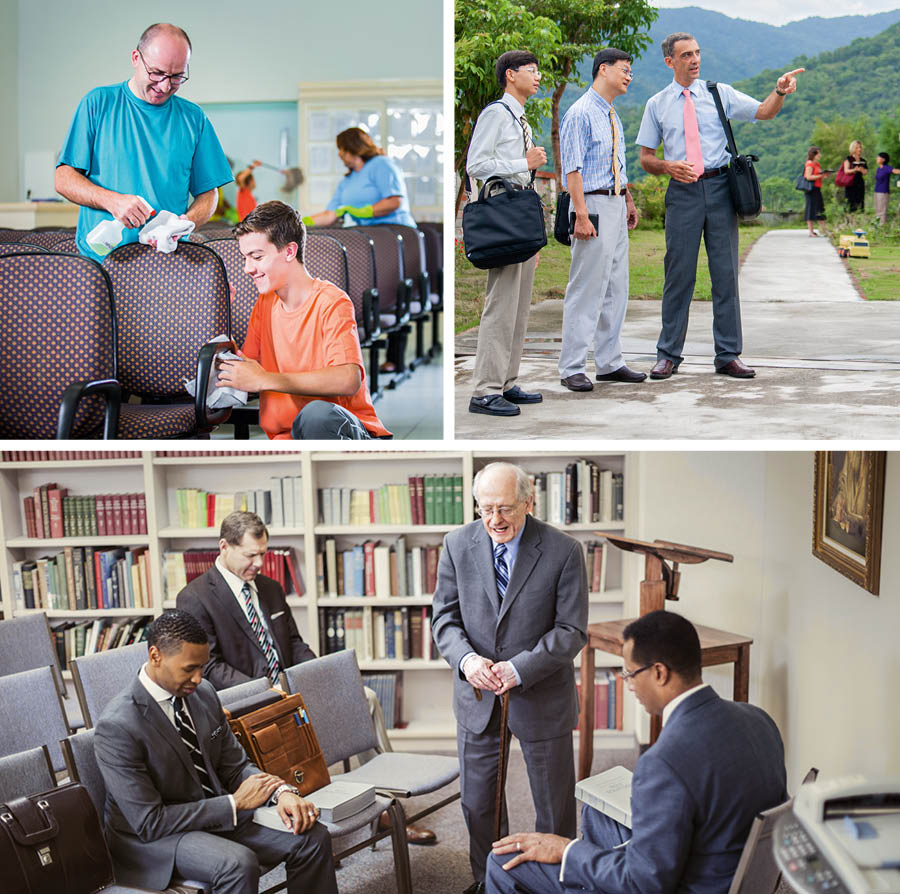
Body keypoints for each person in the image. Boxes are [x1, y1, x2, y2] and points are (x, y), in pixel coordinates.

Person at [176, 510, 438, 845]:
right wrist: (266, 690)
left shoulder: (269, 588)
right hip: (246, 700)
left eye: (263, 554)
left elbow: (294, 644)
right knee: (292, 722)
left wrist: (319, 677)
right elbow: (209, 668)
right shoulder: (195, 597)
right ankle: (310, 819)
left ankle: (384, 805)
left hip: (286, 689)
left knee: (365, 698)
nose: (259, 563)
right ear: (224, 547)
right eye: (250, 555)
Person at [486, 610, 788, 894]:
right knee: (598, 814)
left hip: (681, 884)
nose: (628, 685)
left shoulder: (663, 762)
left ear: (659, 673)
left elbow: (642, 883)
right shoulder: (759, 719)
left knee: (501, 861)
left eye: (630, 674)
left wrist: (565, 850)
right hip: (725, 870)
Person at [93, 610, 338, 894]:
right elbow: (150, 822)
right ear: (155, 655)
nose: (198, 678)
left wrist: (279, 792)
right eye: (188, 669)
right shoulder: (117, 726)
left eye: (202, 667)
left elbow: (235, 766)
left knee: (312, 837)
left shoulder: (203, 694)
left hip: (216, 812)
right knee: (237, 863)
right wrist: (233, 805)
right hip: (156, 839)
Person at [432, 462, 588, 894]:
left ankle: (555, 884)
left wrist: (519, 669)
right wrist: (467, 662)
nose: (494, 520)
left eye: (504, 509)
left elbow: (571, 630)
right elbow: (444, 619)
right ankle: (488, 882)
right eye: (485, 509)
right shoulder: (456, 545)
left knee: (553, 809)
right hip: (477, 697)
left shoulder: (564, 550)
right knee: (478, 804)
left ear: (528, 502)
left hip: (542, 695)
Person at [636, 32, 804, 381]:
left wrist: (780, 91)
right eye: (686, 55)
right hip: (682, 192)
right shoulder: (657, 104)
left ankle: (727, 355)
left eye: (697, 53)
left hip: (720, 187)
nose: (694, 60)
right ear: (670, 61)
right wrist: (669, 166)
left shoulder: (718, 93)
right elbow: (646, 158)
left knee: (725, 274)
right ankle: (668, 355)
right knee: (678, 275)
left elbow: (763, 112)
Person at [55, 23, 232, 262]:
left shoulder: (194, 118)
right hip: (102, 260)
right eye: (157, 73)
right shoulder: (98, 104)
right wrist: (111, 201)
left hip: (168, 260)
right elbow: (64, 178)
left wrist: (186, 222)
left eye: (177, 76)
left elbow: (209, 194)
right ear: (136, 58)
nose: (165, 86)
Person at [215, 200, 392, 440]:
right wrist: (220, 312)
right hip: (288, 437)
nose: (247, 268)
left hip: (338, 430)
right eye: (244, 258)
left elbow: (348, 379)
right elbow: (247, 368)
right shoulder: (264, 304)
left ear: (289, 251)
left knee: (315, 416)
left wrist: (266, 379)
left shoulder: (332, 301)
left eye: (256, 257)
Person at [465, 51, 548, 418]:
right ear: (511, 75)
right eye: (532, 71)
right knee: (501, 306)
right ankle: (484, 390)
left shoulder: (520, 117)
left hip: (518, 212)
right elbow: (476, 165)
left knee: (519, 306)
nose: (539, 76)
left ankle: (506, 382)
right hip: (502, 213)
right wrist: (523, 163)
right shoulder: (496, 114)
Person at [558, 48, 644, 393]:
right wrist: (580, 214)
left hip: (613, 203)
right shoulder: (580, 113)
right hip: (589, 204)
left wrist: (627, 198)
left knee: (615, 287)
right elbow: (572, 170)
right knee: (586, 288)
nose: (628, 76)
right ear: (603, 70)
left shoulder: (610, 114)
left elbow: (615, 164)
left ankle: (609, 362)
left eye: (631, 72)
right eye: (624, 70)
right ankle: (572, 366)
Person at [305, 127, 416, 228]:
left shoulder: (381, 164)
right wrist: (300, 222)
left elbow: (394, 202)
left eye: (341, 149)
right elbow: (329, 215)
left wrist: (365, 212)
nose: (339, 154)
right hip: (370, 233)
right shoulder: (346, 181)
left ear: (350, 148)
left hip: (396, 229)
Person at [803, 146, 829, 237]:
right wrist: (820, 176)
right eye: (818, 153)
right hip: (811, 189)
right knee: (811, 209)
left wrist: (824, 175)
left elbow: (818, 175)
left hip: (817, 188)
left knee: (820, 208)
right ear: (814, 154)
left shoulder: (817, 164)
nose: (820, 155)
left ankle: (824, 230)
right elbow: (808, 176)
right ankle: (811, 231)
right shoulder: (809, 164)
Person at [873, 152, 900, 225]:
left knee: (882, 211)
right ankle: (877, 226)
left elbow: (896, 171)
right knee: (877, 210)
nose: (877, 158)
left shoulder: (886, 168)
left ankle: (882, 227)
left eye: (878, 157)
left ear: (883, 159)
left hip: (883, 192)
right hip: (877, 191)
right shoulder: (879, 169)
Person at [842, 140, 868, 213]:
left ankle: (859, 219)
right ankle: (850, 221)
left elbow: (865, 172)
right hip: (851, 184)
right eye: (857, 147)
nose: (859, 149)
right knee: (850, 202)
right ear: (853, 149)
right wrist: (854, 170)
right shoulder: (848, 159)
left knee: (860, 201)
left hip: (860, 184)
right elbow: (846, 171)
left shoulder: (863, 160)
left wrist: (862, 169)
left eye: (860, 147)